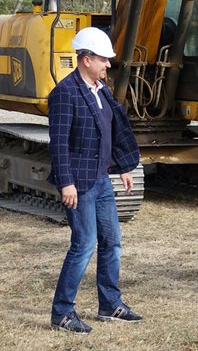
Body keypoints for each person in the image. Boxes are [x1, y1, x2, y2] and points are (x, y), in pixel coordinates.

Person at [48, 27, 142, 334]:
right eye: (103, 59)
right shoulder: (65, 93)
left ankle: (109, 304)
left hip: (101, 180)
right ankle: (62, 312)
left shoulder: (100, 90)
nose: (108, 65)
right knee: (84, 245)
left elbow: (109, 132)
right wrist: (66, 183)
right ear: (86, 59)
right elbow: (59, 143)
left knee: (112, 242)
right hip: (79, 182)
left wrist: (122, 167)